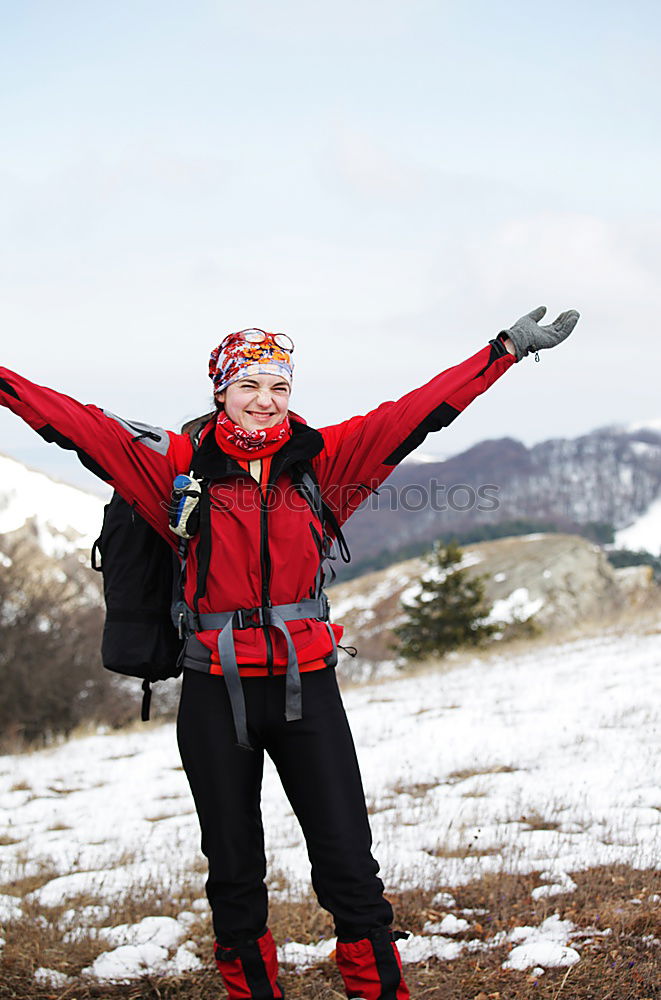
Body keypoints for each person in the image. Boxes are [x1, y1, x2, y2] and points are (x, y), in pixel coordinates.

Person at [0, 305, 578, 999]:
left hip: (308, 686)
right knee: (233, 868)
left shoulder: (323, 462)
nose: (263, 400)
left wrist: (504, 350)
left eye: (277, 386)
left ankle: (377, 991)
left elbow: (416, 412)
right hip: (214, 691)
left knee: (347, 863)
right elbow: (73, 422)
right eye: (248, 385)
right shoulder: (177, 466)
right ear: (220, 391)